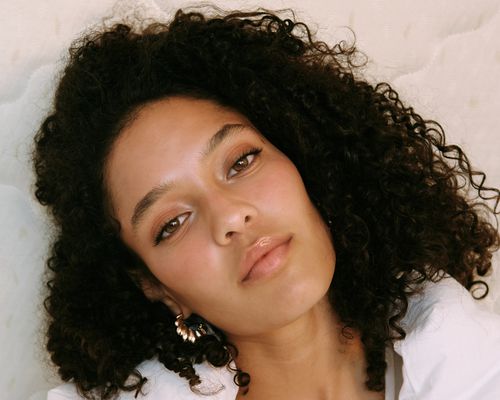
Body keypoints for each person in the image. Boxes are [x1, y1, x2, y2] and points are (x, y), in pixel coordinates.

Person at [33, 7, 500, 400]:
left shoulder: (472, 359)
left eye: (241, 162)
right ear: (155, 285)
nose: (232, 216)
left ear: (304, 162)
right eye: (172, 222)